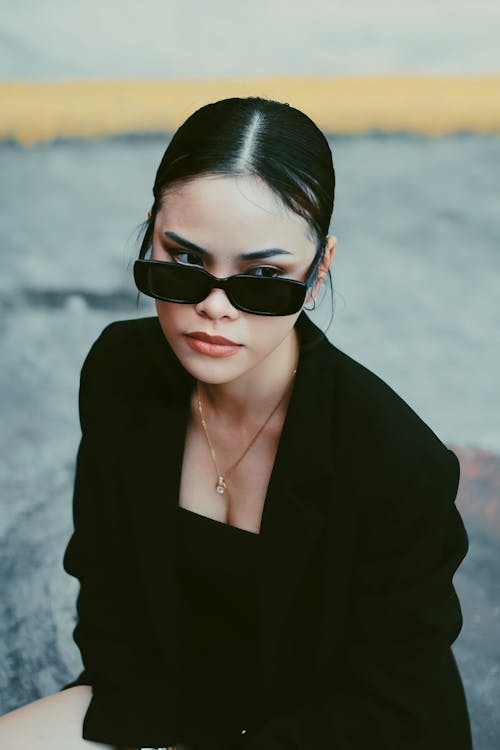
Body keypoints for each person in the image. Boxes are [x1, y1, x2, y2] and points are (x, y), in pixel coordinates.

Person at [0, 96, 472, 750]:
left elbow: (405, 719)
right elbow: (108, 605)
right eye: (186, 263)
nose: (216, 309)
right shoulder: (120, 372)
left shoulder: (393, 462)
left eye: (263, 279)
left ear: (319, 269)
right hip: (155, 712)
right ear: (151, 235)